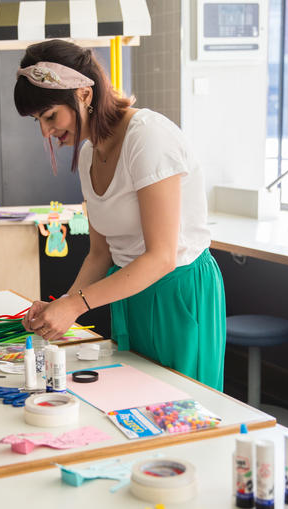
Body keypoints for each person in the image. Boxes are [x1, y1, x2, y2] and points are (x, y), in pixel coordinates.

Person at [14, 40, 226, 390]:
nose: (46, 132)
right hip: (129, 291)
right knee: (140, 406)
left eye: (50, 116)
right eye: (38, 121)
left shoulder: (148, 138)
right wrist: (63, 308)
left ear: (83, 93)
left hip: (178, 291)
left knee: (185, 413)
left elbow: (161, 257)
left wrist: (75, 306)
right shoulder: (88, 157)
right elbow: (101, 253)